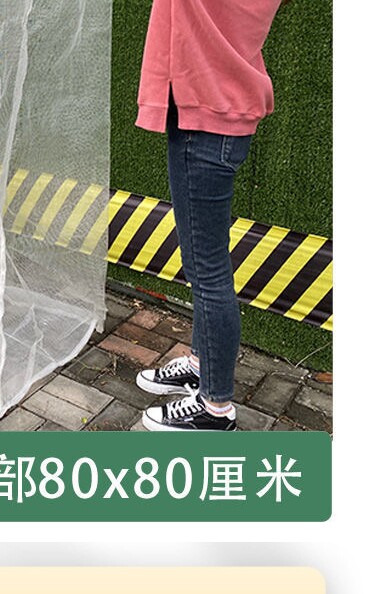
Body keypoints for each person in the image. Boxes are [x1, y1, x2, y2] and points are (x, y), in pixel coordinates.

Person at [133, 0, 284, 431]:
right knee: (208, 266)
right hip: (218, 112)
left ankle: (215, 407)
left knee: (208, 272)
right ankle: (203, 365)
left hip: (204, 122)